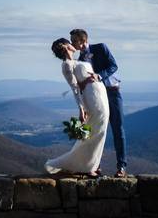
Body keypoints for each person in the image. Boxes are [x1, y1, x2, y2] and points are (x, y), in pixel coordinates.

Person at [44, 38, 109, 177]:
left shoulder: (78, 60)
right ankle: (87, 166)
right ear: (66, 46)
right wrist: (81, 108)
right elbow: (75, 88)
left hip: (100, 93)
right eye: (70, 43)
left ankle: (92, 164)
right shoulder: (67, 65)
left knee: (101, 130)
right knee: (95, 132)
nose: (73, 45)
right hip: (92, 98)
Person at [70, 28, 127, 178]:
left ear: (82, 40)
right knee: (95, 130)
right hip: (95, 97)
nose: (72, 43)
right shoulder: (79, 60)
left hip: (112, 92)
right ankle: (95, 166)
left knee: (117, 129)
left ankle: (121, 166)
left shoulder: (101, 47)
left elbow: (114, 66)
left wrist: (99, 76)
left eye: (74, 40)